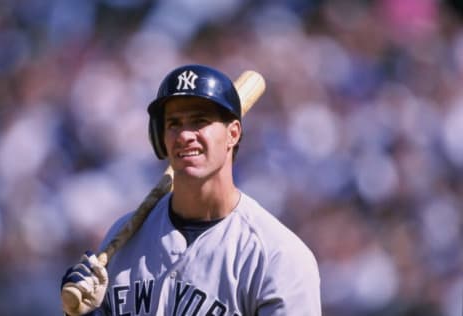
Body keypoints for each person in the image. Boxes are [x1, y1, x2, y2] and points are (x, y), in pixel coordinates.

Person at [60, 64, 321, 316]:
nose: (184, 135)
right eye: (174, 123)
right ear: (160, 138)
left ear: (233, 134)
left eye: (199, 121)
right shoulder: (124, 238)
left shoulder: (277, 255)